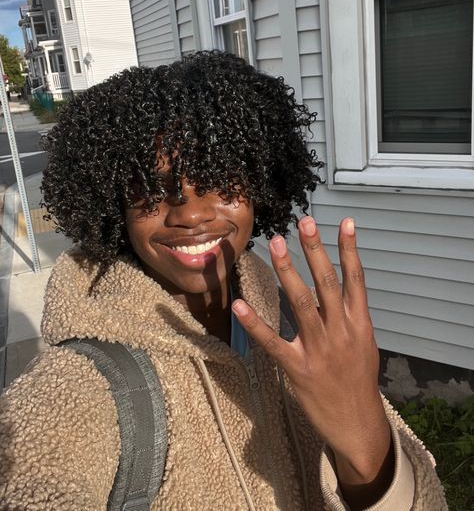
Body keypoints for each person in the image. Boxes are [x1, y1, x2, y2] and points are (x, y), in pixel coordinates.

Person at [0, 51, 446, 510]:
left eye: (219, 177)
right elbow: (34, 479)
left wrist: (363, 430)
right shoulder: (83, 380)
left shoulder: (300, 324)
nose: (191, 213)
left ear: (260, 183)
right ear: (113, 203)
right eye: (152, 190)